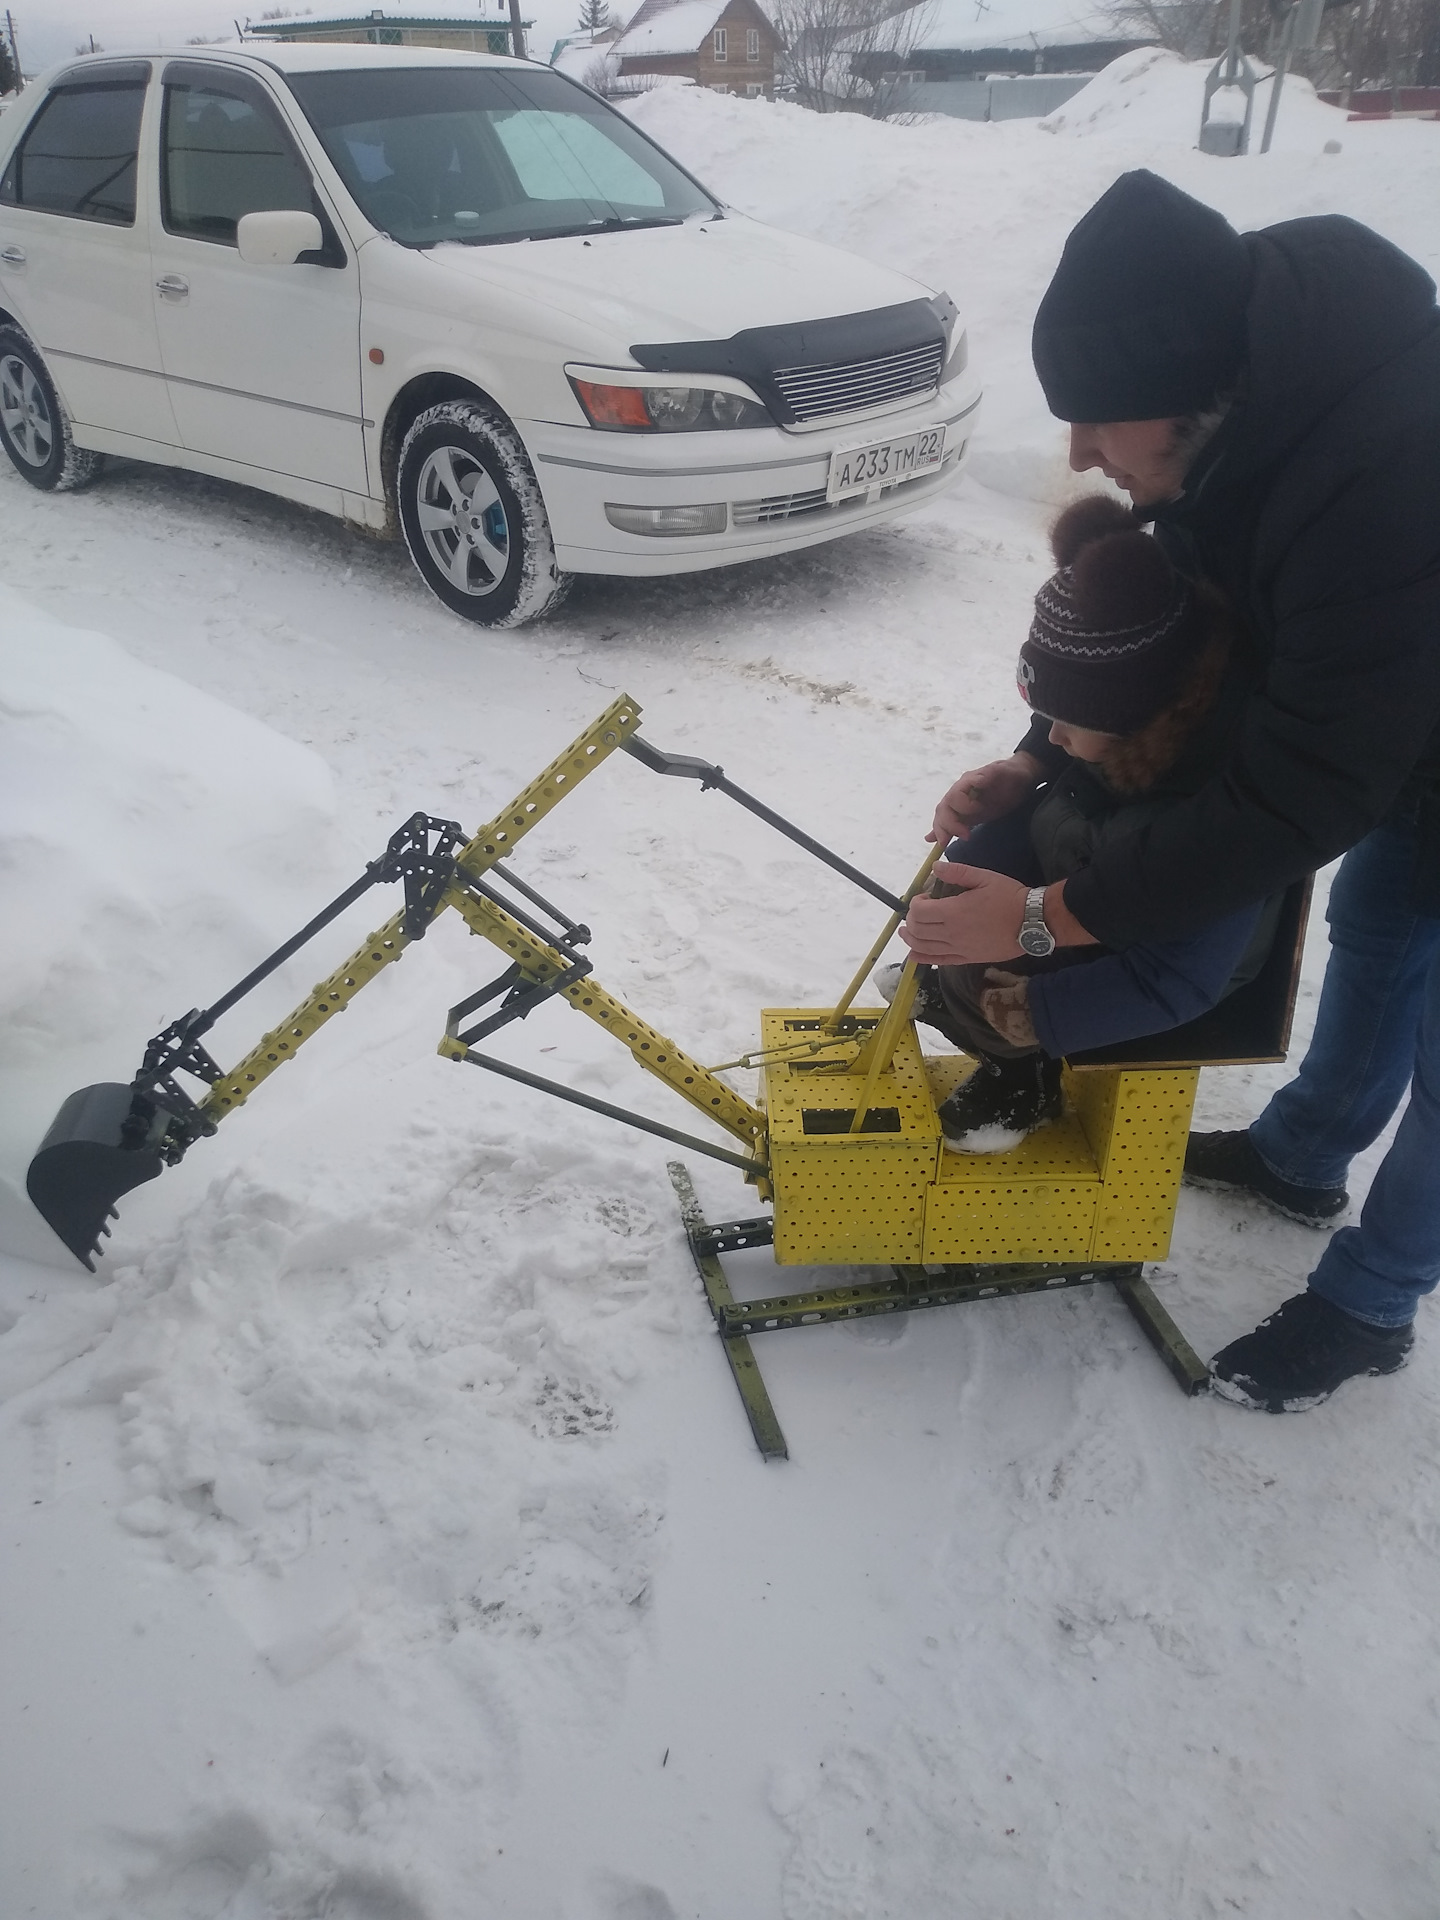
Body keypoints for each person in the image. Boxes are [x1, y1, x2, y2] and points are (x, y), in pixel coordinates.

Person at [900, 170, 1440, 1413]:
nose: (1080, 453)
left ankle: (1374, 1301)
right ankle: (1305, 1154)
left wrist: (1038, 922)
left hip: (1393, 698)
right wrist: (1039, 754)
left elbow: (1288, 803)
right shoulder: (1237, 404)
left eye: (1097, 420)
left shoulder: (1388, 472)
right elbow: (1166, 643)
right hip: (1395, 711)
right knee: (1379, 928)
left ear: (1184, 393)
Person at [888, 492, 1282, 1151]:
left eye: (1068, 725)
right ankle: (963, 1001)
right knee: (956, 910)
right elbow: (1060, 800)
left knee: (983, 983)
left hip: (1155, 967)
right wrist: (983, 841)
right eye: (1047, 720)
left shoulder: (1214, 822)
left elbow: (1179, 978)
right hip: (1093, 900)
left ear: (1138, 716)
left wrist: (1033, 1013)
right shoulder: (1130, 741)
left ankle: (1023, 1079)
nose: (1054, 740)